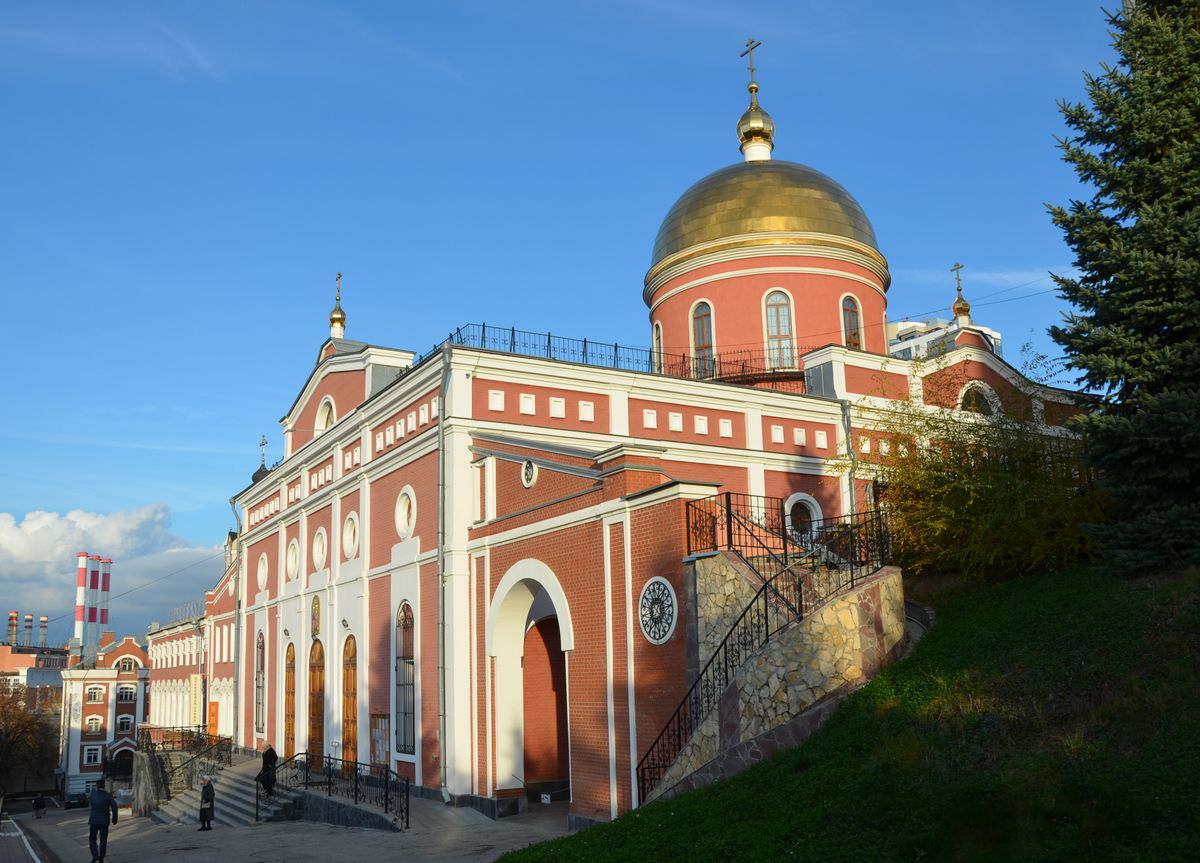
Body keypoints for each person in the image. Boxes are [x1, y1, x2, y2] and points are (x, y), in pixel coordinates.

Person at [87, 779, 118, 863]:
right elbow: (114, 807)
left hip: (94, 820)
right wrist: (114, 819)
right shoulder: (108, 796)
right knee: (103, 840)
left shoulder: (92, 795)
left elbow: (91, 805)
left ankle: (95, 855)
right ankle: (101, 858)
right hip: (104, 821)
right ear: (104, 786)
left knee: (92, 839)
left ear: (97, 786)